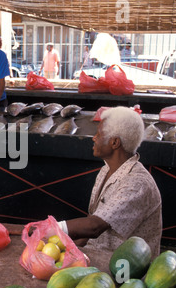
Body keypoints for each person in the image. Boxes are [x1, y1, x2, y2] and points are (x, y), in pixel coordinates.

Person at [57, 107, 162, 256]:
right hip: (97, 254)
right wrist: (70, 249)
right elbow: (92, 222)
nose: (94, 138)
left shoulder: (138, 184)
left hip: (124, 268)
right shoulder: (106, 170)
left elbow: (94, 227)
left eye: (99, 134)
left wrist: (48, 228)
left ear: (114, 143)